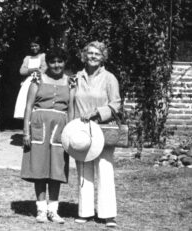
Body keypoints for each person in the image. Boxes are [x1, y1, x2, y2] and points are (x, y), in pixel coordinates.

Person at [69, 41, 121, 228]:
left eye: (97, 54)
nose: (92, 57)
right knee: (84, 170)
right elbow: (71, 102)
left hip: (102, 128)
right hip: (82, 130)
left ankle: (108, 215)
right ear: (84, 56)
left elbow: (116, 104)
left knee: (105, 170)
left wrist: (96, 112)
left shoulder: (109, 78)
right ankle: (85, 212)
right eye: (89, 53)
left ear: (103, 57)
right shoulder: (76, 77)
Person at [20, 47, 70, 223]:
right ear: (47, 63)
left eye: (60, 61)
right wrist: (26, 130)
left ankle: (53, 210)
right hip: (39, 125)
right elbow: (28, 106)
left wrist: (71, 134)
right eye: (53, 61)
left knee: (57, 169)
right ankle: (41, 209)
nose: (56, 65)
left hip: (60, 128)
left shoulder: (71, 82)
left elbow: (71, 109)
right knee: (39, 168)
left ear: (65, 63)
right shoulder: (37, 78)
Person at [13, 36, 47, 119]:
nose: (34, 48)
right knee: (26, 101)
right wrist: (33, 70)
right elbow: (22, 71)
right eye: (32, 46)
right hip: (28, 82)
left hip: (39, 80)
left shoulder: (43, 56)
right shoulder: (27, 58)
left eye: (36, 45)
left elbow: (43, 69)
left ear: (40, 46)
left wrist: (34, 71)